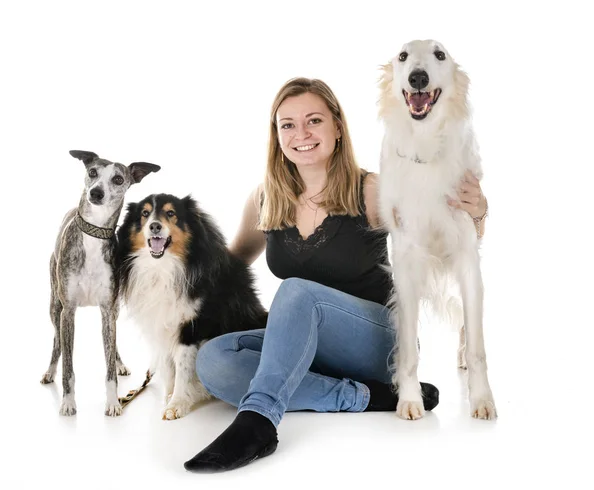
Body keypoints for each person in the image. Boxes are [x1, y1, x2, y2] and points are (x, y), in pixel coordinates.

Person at [183, 77, 488, 472]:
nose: (301, 134)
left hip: (378, 343)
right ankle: (363, 398)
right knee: (214, 361)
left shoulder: (374, 192)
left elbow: (447, 246)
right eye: (287, 125)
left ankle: (257, 423)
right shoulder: (265, 199)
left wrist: (477, 211)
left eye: (314, 121)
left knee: (297, 293)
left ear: (337, 127)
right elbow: (226, 269)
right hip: (308, 350)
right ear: (276, 136)